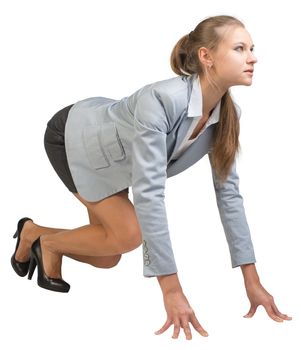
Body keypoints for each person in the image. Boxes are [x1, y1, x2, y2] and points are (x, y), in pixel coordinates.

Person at [11, 15, 292, 339]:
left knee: (108, 257)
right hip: (74, 138)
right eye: (240, 48)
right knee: (129, 233)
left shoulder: (227, 117)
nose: (253, 57)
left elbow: (229, 196)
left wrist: (252, 281)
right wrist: (171, 288)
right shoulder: (161, 100)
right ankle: (49, 244)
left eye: (252, 48)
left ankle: (36, 234)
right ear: (207, 57)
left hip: (116, 162)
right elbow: (149, 193)